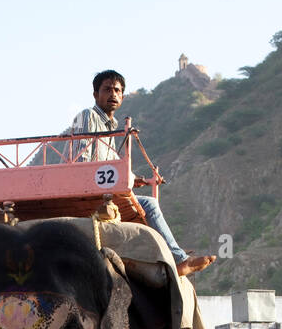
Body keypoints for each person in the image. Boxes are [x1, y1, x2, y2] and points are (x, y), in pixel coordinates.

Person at [68, 70, 216, 277]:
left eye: (118, 90)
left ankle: (163, 259)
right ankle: (179, 259)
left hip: (105, 190)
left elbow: (110, 165)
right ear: (95, 94)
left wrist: (133, 178)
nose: (113, 94)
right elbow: (80, 158)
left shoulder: (112, 128)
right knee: (149, 205)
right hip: (94, 192)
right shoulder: (88, 116)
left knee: (142, 210)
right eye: (107, 89)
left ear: (122, 96)